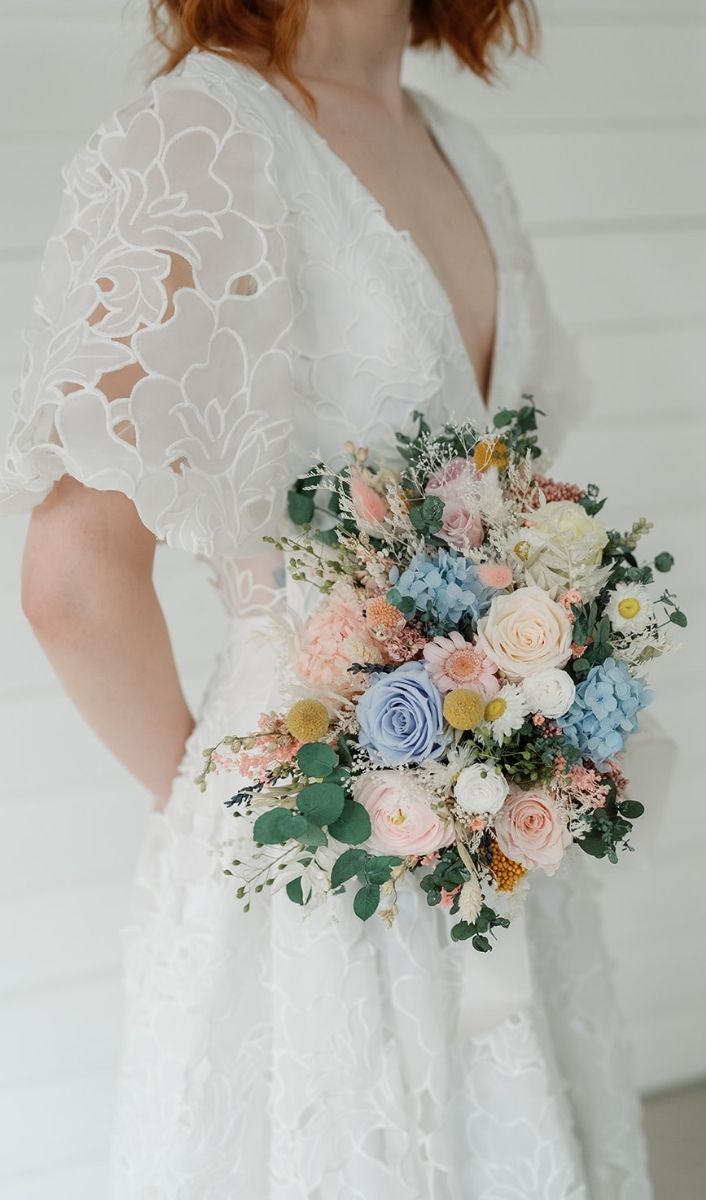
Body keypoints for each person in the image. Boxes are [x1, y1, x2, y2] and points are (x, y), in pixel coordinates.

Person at [1, 1, 654, 1195]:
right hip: (309, 842)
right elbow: (73, 581)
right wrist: (227, 806)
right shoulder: (199, 137)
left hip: (495, 814)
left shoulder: (459, 145)